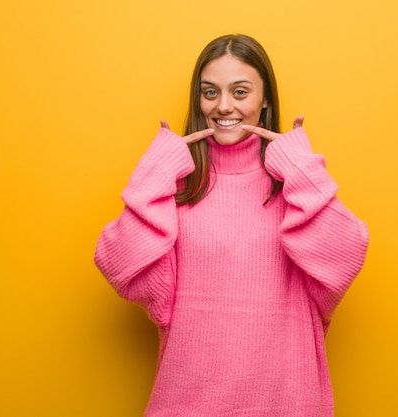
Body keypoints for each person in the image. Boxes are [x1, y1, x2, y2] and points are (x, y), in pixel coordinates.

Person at [94, 34, 369, 417]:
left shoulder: (295, 186)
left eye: (240, 92)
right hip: (187, 401)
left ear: (265, 99)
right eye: (210, 92)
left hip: (285, 401)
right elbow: (119, 265)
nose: (224, 106)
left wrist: (299, 168)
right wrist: (154, 172)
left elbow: (346, 255)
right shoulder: (179, 187)